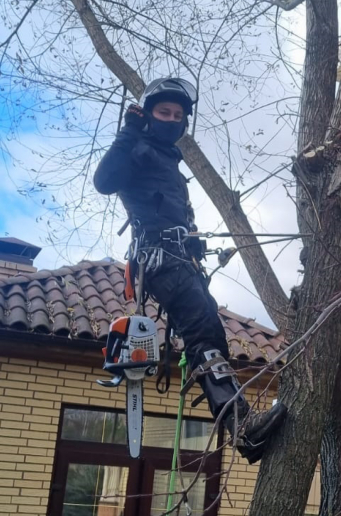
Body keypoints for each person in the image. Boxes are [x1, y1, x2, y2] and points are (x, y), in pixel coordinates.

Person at [93, 77, 286, 464]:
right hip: (160, 260)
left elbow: (166, 210)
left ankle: (241, 427)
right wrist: (127, 133)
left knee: (210, 332)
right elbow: (104, 181)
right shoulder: (137, 148)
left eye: (178, 115)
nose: (171, 119)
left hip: (180, 258)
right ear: (147, 115)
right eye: (163, 112)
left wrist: (191, 240)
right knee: (202, 329)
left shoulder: (168, 162)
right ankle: (242, 428)